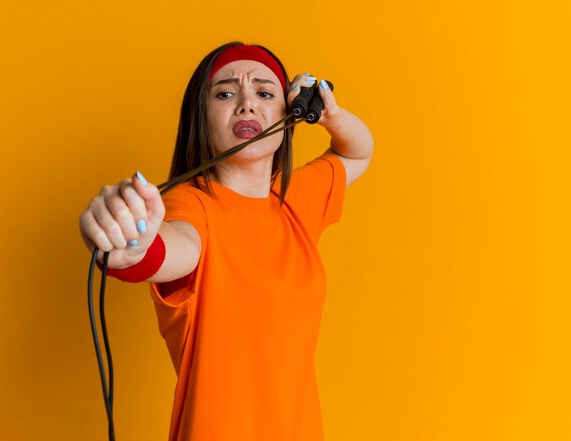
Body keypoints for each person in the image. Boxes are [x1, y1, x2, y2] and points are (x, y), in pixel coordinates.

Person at [79, 41, 374, 441]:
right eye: (225, 92)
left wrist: (329, 113)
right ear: (200, 118)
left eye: (265, 92)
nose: (247, 104)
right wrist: (131, 243)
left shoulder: (296, 200)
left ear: (288, 116)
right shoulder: (189, 204)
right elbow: (171, 247)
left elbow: (358, 151)